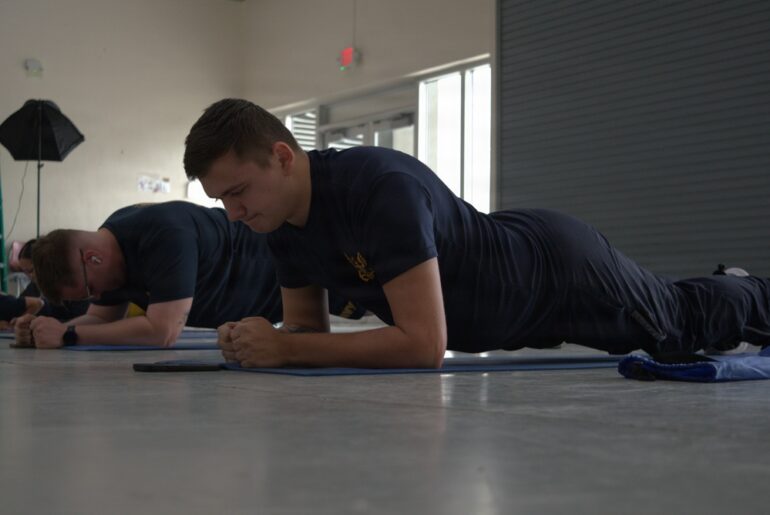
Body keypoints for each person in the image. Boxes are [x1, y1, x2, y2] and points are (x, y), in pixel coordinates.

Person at [182, 98, 770, 369]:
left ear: (282, 157)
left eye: (237, 193)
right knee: (673, 315)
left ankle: (754, 292)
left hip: (556, 273)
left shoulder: (378, 187)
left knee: (678, 324)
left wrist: (285, 349)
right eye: (220, 200)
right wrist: (262, 339)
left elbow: (422, 345)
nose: (232, 214)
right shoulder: (279, 224)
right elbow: (308, 328)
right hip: (516, 289)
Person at [26, 201, 364, 348]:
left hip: (319, 272)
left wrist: (69, 338)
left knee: (385, 307)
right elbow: (100, 320)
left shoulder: (163, 232)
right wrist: (53, 329)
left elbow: (163, 332)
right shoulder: (110, 259)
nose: (96, 298)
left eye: (90, 290)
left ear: (93, 258)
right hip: (281, 301)